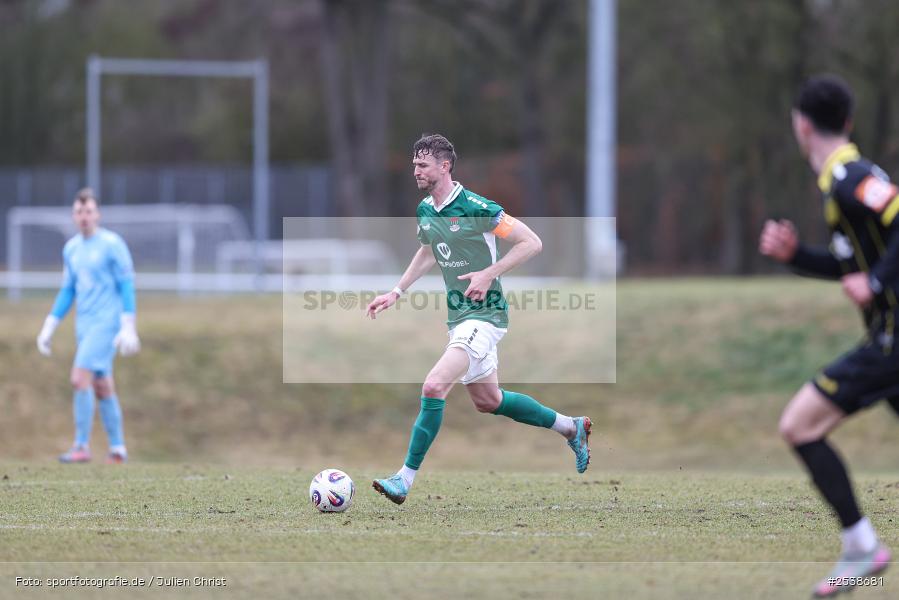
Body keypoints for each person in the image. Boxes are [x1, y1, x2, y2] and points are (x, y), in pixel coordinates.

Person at [365, 134, 592, 505]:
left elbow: (531, 242)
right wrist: (396, 292)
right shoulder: (426, 210)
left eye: (422, 165)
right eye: (414, 165)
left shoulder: (476, 207)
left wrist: (489, 273)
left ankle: (404, 480)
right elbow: (427, 251)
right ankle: (571, 428)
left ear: (445, 166)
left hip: (484, 316)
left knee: (434, 385)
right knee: (489, 399)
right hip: (460, 318)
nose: (416, 171)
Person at [759, 75, 893, 597]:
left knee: (799, 425)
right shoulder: (843, 183)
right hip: (888, 337)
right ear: (850, 122)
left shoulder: (849, 176)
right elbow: (849, 266)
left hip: (892, 342)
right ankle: (860, 548)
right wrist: (796, 258)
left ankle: (861, 547)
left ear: (802, 124)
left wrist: (879, 281)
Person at [36, 188, 140, 464]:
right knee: (102, 386)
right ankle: (118, 449)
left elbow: (126, 284)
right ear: (74, 215)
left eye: (89, 211)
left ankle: (81, 446)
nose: (84, 216)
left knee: (79, 378)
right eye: (80, 211)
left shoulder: (112, 244)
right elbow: (68, 289)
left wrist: (128, 324)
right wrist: (50, 325)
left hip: (107, 323)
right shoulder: (71, 248)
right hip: (84, 324)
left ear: (98, 214)